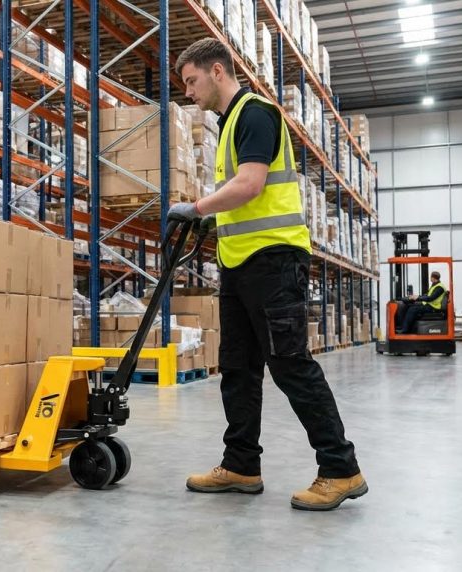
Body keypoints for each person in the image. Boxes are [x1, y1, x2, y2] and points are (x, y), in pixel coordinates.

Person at [168, 39, 364, 511]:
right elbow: (239, 198)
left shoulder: (256, 114)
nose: (188, 93)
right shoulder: (228, 124)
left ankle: (340, 469)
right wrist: (211, 219)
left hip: (273, 262)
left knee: (290, 364)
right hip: (238, 264)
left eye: (191, 82)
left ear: (217, 71)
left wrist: (196, 208)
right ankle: (240, 464)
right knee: (237, 368)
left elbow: (251, 185)